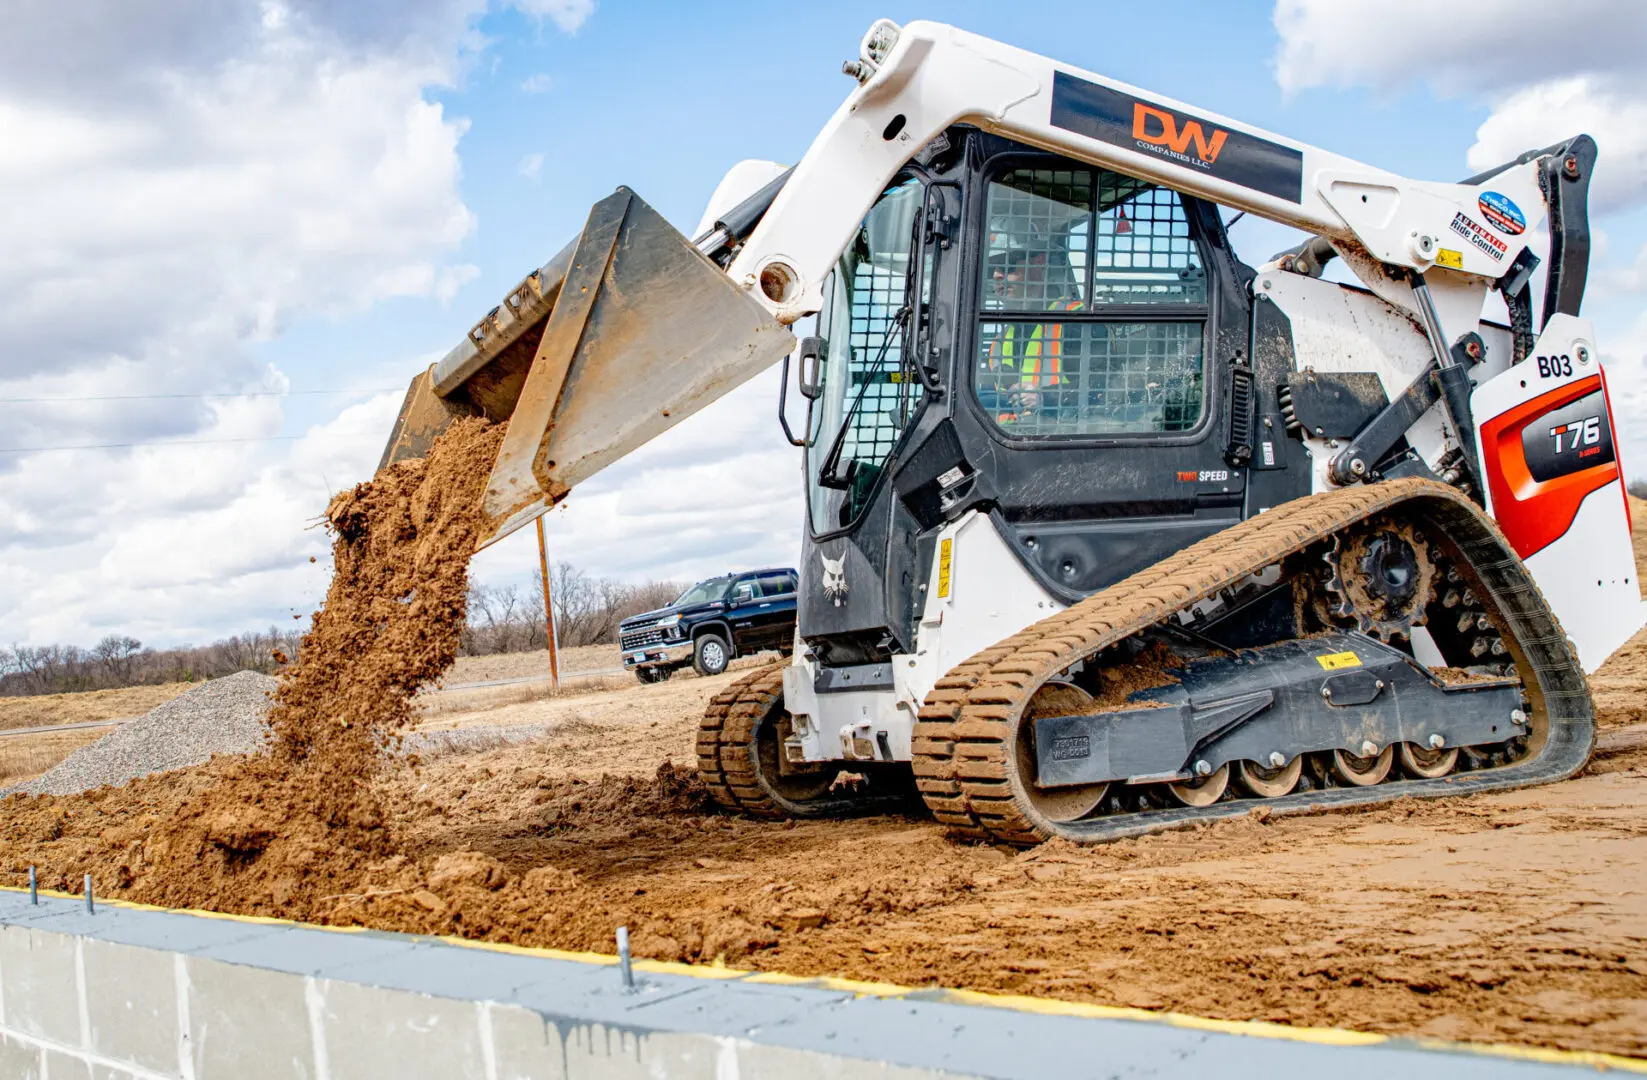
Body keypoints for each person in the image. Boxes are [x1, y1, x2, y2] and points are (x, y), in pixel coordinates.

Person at [980, 249, 1083, 428]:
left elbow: (1107, 386)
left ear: (1039, 263)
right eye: (993, 269)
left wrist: (1046, 397)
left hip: (1061, 442)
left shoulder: (1076, 320)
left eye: (1007, 264)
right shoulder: (999, 342)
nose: (997, 275)